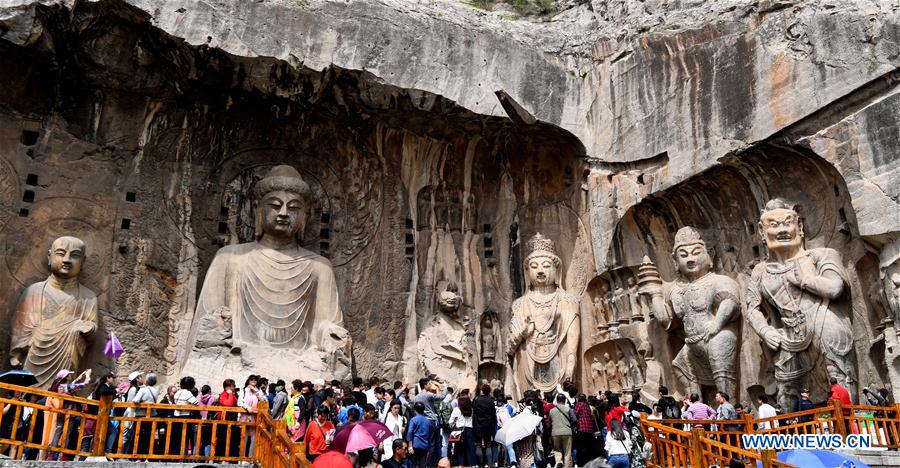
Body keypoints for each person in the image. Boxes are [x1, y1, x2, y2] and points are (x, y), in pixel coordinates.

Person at [131, 373, 160, 457]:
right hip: (152, 415)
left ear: (147, 381)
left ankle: (137, 455)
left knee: (138, 435)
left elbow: (135, 400)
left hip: (141, 415)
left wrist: (142, 403)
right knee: (148, 435)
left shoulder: (143, 389)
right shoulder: (156, 390)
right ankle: (147, 455)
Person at [171, 376, 200, 457]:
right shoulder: (188, 393)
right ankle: (184, 456)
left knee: (178, 438)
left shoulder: (177, 393)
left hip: (176, 417)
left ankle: (176, 456)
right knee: (185, 438)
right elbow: (197, 403)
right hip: (185, 418)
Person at [472, 384, 497, 467]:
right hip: (488, 425)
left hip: (477, 425)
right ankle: (489, 463)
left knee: (478, 444)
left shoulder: (476, 400)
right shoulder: (491, 401)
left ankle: (480, 464)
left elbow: (474, 411)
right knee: (488, 444)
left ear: (482, 391)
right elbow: (493, 414)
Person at [215, 379, 240, 458]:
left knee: (232, 441)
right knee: (222, 440)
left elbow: (237, 404)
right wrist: (230, 394)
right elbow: (228, 405)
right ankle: (220, 458)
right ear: (228, 387)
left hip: (232, 421)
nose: (234, 387)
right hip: (223, 422)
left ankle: (230, 458)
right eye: (233, 386)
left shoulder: (232, 395)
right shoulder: (223, 395)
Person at [448, 394, 475, 467]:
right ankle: (470, 465)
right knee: (470, 449)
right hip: (469, 430)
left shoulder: (456, 409)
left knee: (460, 450)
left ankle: (460, 465)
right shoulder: (471, 409)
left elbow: (450, 422)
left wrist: (454, 426)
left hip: (459, 431)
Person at [549, 393, 574, 468]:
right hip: (567, 432)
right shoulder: (568, 409)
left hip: (555, 433)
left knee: (557, 450)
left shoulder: (551, 411)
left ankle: (559, 462)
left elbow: (549, 424)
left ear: (556, 401)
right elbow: (574, 420)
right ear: (565, 400)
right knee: (567, 452)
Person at [407, 402, 435, 468]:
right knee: (422, 464)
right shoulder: (428, 421)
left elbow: (410, 432)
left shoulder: (413, 420)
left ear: (415, 410)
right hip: (425, 446)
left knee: (414, 464)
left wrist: (410, 446)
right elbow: (430, 434)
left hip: (415, 445)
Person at [573, 394, 598, 466]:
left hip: (582, 428)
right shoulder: (587, 405)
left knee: (581, 447)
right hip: (590, 429)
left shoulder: (579, 404)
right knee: (588, 447)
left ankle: (581, 463)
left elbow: (575, 414)